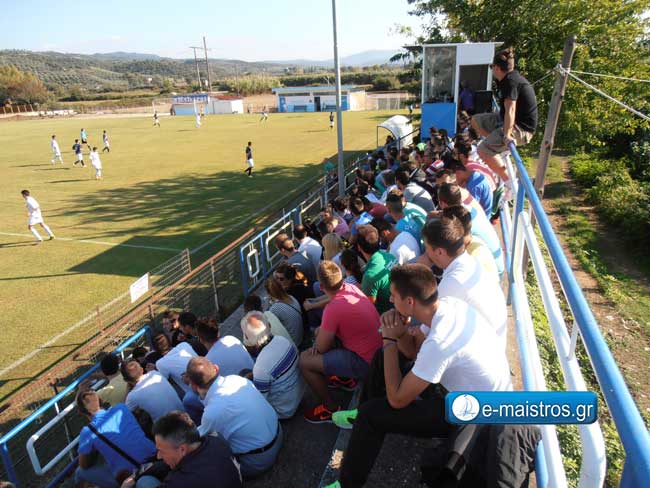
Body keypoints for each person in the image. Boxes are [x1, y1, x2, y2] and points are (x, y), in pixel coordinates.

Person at [327, 265, 512, 488]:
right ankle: (360, 419)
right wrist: (400, 333)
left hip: (474, 414)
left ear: (409, 301)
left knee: (371, 415)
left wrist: (389, 340)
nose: (391, 300)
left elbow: (397, 399)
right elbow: (412, 351)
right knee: (382, 357)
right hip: (460, 389)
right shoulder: (446, 305)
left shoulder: (441, 341)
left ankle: (347, 484)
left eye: (393, 296)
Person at [300, 261, 382, 423]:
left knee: (304, 361)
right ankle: (345, 378)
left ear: (321, 287)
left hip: (368, 364)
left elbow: (321, 348)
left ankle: (330, 408)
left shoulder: (333, 309)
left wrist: (316, 344)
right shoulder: (351, 288)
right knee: (323, 333)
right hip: (378, 353)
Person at [187, 357, 282, 478]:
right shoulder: (236, 379)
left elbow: (196, 439)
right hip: (278, 433)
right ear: (216, 368)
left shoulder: (212, 413)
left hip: (259, 460)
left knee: (206, 452)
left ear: (193, 386)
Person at [421, 216, 508, 348]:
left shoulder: (453, 282)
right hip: (493, 341)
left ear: (439, 252)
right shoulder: (471, 262)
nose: (426, 252)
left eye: (427, 247)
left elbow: (422, 332)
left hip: (484, 348)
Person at [472, 47, 538, 185]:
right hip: (505, 119)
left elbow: (511, 109)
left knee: (482, 150)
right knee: (475, 120)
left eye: (492, 67)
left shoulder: (511, 82)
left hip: (521, 128)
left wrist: (507, 135)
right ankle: (498, 148)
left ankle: (510, 183)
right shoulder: (506, 79)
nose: (492, 70)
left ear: (497, 68)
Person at [125, 412, 242, 488]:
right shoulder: (216, 439)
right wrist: (136, 474)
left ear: (182, 449)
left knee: (145, 482)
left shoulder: (179, 482)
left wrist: (136, 477)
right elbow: (165, 464)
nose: (159, 456)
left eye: (161, 451)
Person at [75, 389, 155, 488]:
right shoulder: (121, 407)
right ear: (100, 400)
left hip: (131, 474)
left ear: (80, 412)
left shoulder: (88, 432)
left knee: (80, 472)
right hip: (154, 457)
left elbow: (84, 465)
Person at [241, 311, 304, 419]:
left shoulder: (261, 367)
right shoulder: (283, 340)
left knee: (242, 377)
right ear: (269, 326)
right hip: (300, 394)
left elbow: (261, 401)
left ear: (247, 337)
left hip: (284, 410)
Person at [437, 183, 505, 278]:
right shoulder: (468, 210)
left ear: (443, 204)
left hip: (490, 273)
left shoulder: (458, 224)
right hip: (495, 263)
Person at [357, 224, 396, 313]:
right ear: (379, 241)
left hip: (388, 314)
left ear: (359, 247)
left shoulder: (369, 276)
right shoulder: (389, 256)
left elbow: (370, 308)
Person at [449, 139, 493, 215]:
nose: (454, 157)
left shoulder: (469, 169)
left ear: (461, 156)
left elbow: (471, 209)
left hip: (484, 213)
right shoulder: (472, 166)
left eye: (455, 154)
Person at [265, 275, 304, 346]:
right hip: (300, 337)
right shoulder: (291, 297)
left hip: (293, 344)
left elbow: (269, 327)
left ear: (269, 294)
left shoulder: (275, 308)